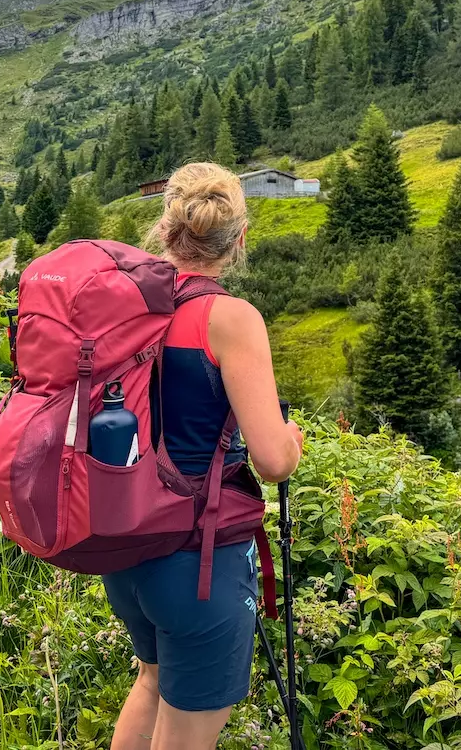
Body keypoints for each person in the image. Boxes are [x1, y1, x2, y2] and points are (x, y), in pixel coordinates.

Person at [103, 162, 304, 750]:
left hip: (125, 545)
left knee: (150, 682)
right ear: (239, 239)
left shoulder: (127, 310)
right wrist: (291, 442)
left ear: (165, 229)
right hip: (197, 559)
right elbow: (271, 458)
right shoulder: (231, 319)